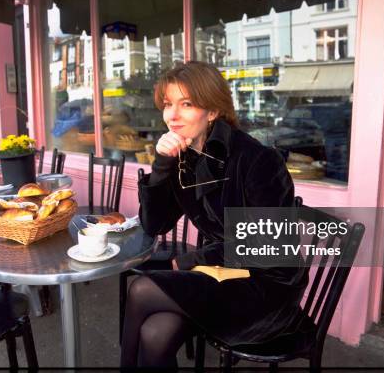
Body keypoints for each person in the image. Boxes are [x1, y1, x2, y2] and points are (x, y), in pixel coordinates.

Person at [121, 61, 309, 369]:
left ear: (213, 111)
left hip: (266, 287)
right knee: (156, 332)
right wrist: (161, 166)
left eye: (187, 104)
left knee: (141, 288)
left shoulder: (258, 160)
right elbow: (155, 224)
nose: (172, 115)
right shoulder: (186, 156)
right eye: (168, 104)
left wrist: (188, 262)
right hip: (219, 273)